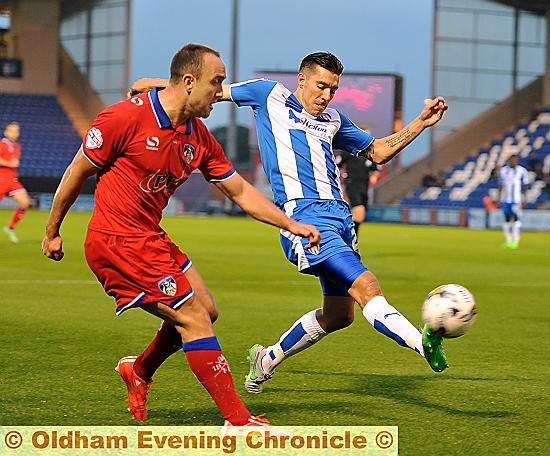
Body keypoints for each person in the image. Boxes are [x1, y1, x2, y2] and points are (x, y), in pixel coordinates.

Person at [130, 51, 449, 396]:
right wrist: (155, 86)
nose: (326, 95)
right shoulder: (268, 94)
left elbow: (379, 151)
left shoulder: (334, 120)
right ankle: (423, 343)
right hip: (305, 218)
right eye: (321, 86)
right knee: (366, 287)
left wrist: (420, 122)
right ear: (301, 79)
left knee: (340, 316)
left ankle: (266, 359)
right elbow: (210, 92)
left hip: (340, 218)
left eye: (333, 89)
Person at [41, 43, 320, 427]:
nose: (219, 92)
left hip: (150, 236)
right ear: (189, 82)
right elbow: (76, 172)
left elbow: (239, 191)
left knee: (208, 311)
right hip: (116, 240)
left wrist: (291, 224)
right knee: (193, 319)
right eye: (215, 82)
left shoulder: (199, 137)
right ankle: (238, 422)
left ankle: (138, 370)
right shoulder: (123, 118)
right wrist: (52, 231)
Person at [335, 148, 378, 238]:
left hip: (364, 187)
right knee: (359, 213)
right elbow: (337, 163)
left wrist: (374, 176)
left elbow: (375, 168)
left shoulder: (368, 153)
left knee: (360, 216)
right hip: (352, 184)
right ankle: (348, 238)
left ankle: (349, 237)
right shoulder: (349, 150)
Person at [0, 121, 30, 243]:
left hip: (12, 180)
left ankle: (10, 227)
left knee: (25, 203)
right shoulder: (2, 144)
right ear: (6, 132)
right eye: (12, 130)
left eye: (17, 131)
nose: (15, 133)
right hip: (1, 179)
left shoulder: (17, 146)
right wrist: (9, 164)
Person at [498, 154, 528, 249]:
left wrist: (525, 198)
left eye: (515, 160)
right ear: (509, 161)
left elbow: (525, 186)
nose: (513, 162)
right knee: (506, 219)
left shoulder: (522, 171)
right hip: (506, 200)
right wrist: (498, 198)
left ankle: (515, 241)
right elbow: (500, 185)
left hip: (516, 200)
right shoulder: (503, 171)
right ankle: (508, 240)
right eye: (512, 160)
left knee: (515, 219)